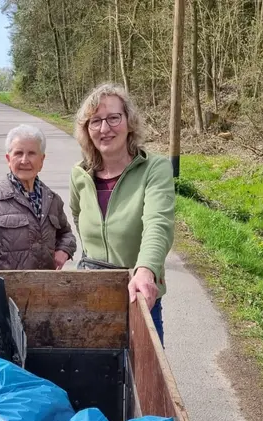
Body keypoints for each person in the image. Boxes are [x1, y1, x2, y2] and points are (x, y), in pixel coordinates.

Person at [70, 83, 175, 345]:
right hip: (93, 297)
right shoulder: (79, 174)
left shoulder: (156, 168)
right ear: (87, 131)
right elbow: (76, 217)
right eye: (95, 121)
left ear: (129, 122)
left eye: (114, 118)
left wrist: (146, 270)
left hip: (138, 295)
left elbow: (158, 224)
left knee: (146, 382)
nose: (105, 129)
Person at [0, 124, 76, 271]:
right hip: (4, 289)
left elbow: (66, 234)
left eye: (32, 153)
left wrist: (64, 250)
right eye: (18, 153)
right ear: (8, 159)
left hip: (45, 288)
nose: (24, 160)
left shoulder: (52, 200)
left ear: (42, 160)